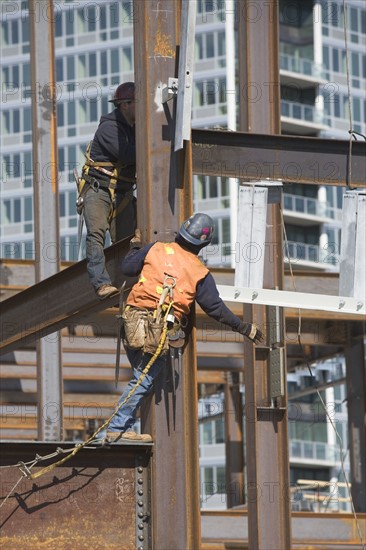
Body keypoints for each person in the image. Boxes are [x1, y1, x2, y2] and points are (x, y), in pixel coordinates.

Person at [104, 213, 264, 443]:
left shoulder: (156, 248)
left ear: (182, 231)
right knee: (143, 379)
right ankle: (117, 428)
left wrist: (136, 248)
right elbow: (215, 308)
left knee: (141, 378)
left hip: (131, 322)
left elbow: (127, 268)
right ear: (205, 243)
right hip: (157, 331)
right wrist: (243, 327)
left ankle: (123, 426)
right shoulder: (199, 271)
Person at [79, 82, 137, 300]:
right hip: (98, 190)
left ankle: (128, 283)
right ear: (125, 105)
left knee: (128, 240)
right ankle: (101, 283)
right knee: (96, 233)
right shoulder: (109, 128)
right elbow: (130, 155)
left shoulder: (135, 129)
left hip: (122, 194)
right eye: (138, 104)